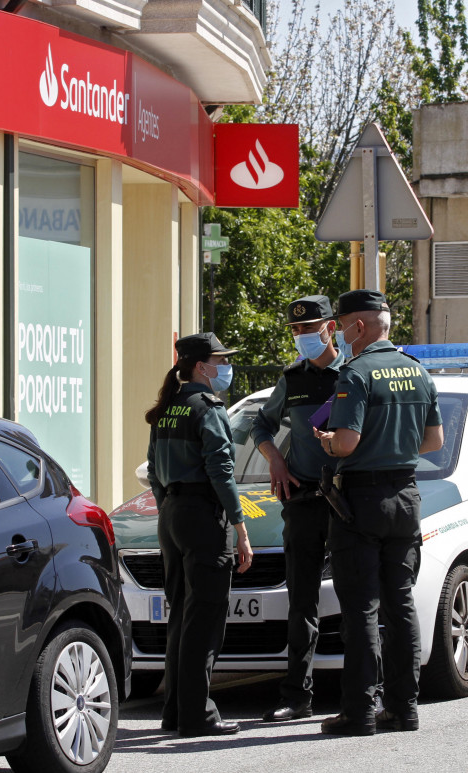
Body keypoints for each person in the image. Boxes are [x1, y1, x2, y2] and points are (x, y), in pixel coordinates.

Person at [313, 289, 443, 736]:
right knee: (400, 604)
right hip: (405, 496)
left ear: (360, 327)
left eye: (341, 324)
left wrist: (327, 442)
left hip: (361, 501)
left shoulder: (356, 373)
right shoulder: (416, 371)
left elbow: (345, 442)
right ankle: (404, 708)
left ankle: (359, 712)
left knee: (362, 609)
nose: (339, 333)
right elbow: (434, 442)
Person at [145, 332, 253, 737]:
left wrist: (168, 507)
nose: (225, 366)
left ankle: (175, 711)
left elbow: (154, 469)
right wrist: (239, 525)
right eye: (220, 360)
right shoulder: (207, 408)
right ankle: (197, 714)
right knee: (205, 618)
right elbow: (221, 471)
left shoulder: (169, 406)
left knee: (181, 616)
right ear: (200, 366)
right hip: (202, 517)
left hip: (171, 514)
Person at [252, 295, 345, 722]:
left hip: (349, 500)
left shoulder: (355, 373)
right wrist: (274, 458)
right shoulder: (292, 379)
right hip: (305, 499)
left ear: (330, 327)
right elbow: (260, 424)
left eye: (309, 329)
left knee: (359, 598)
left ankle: (367, 689)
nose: (302, 337)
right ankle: (297, 695)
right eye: (295, 330)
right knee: (301, 602)